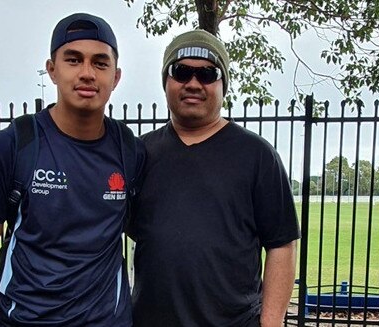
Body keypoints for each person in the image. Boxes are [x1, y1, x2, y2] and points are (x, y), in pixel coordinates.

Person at [0, 13, 144, 327]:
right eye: (73, 60)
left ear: (116, 76)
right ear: (52, 70)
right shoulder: (11, 146)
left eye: (100, 63)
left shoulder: (131, 151)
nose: (87, 73)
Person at [128, 30, 300, 327]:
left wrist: (272, 322)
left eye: (208, 74)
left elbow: (282, 244)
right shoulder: (139, 154)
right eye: (181, 72)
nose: (193, 83)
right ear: (166, 81)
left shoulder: (257, 155)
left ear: (223, 85)